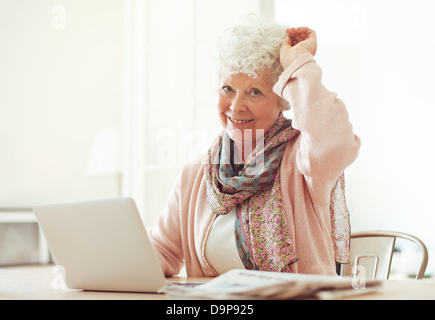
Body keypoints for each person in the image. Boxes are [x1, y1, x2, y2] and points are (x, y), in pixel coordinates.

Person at [148, 16, 360, 277]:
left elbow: (337, 142)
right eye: (228, 88)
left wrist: (298, 65)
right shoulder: (196, 172)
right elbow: (162, 250)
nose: (236, 106)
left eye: (255, 92)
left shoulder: (304, 161)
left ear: (282, 98)